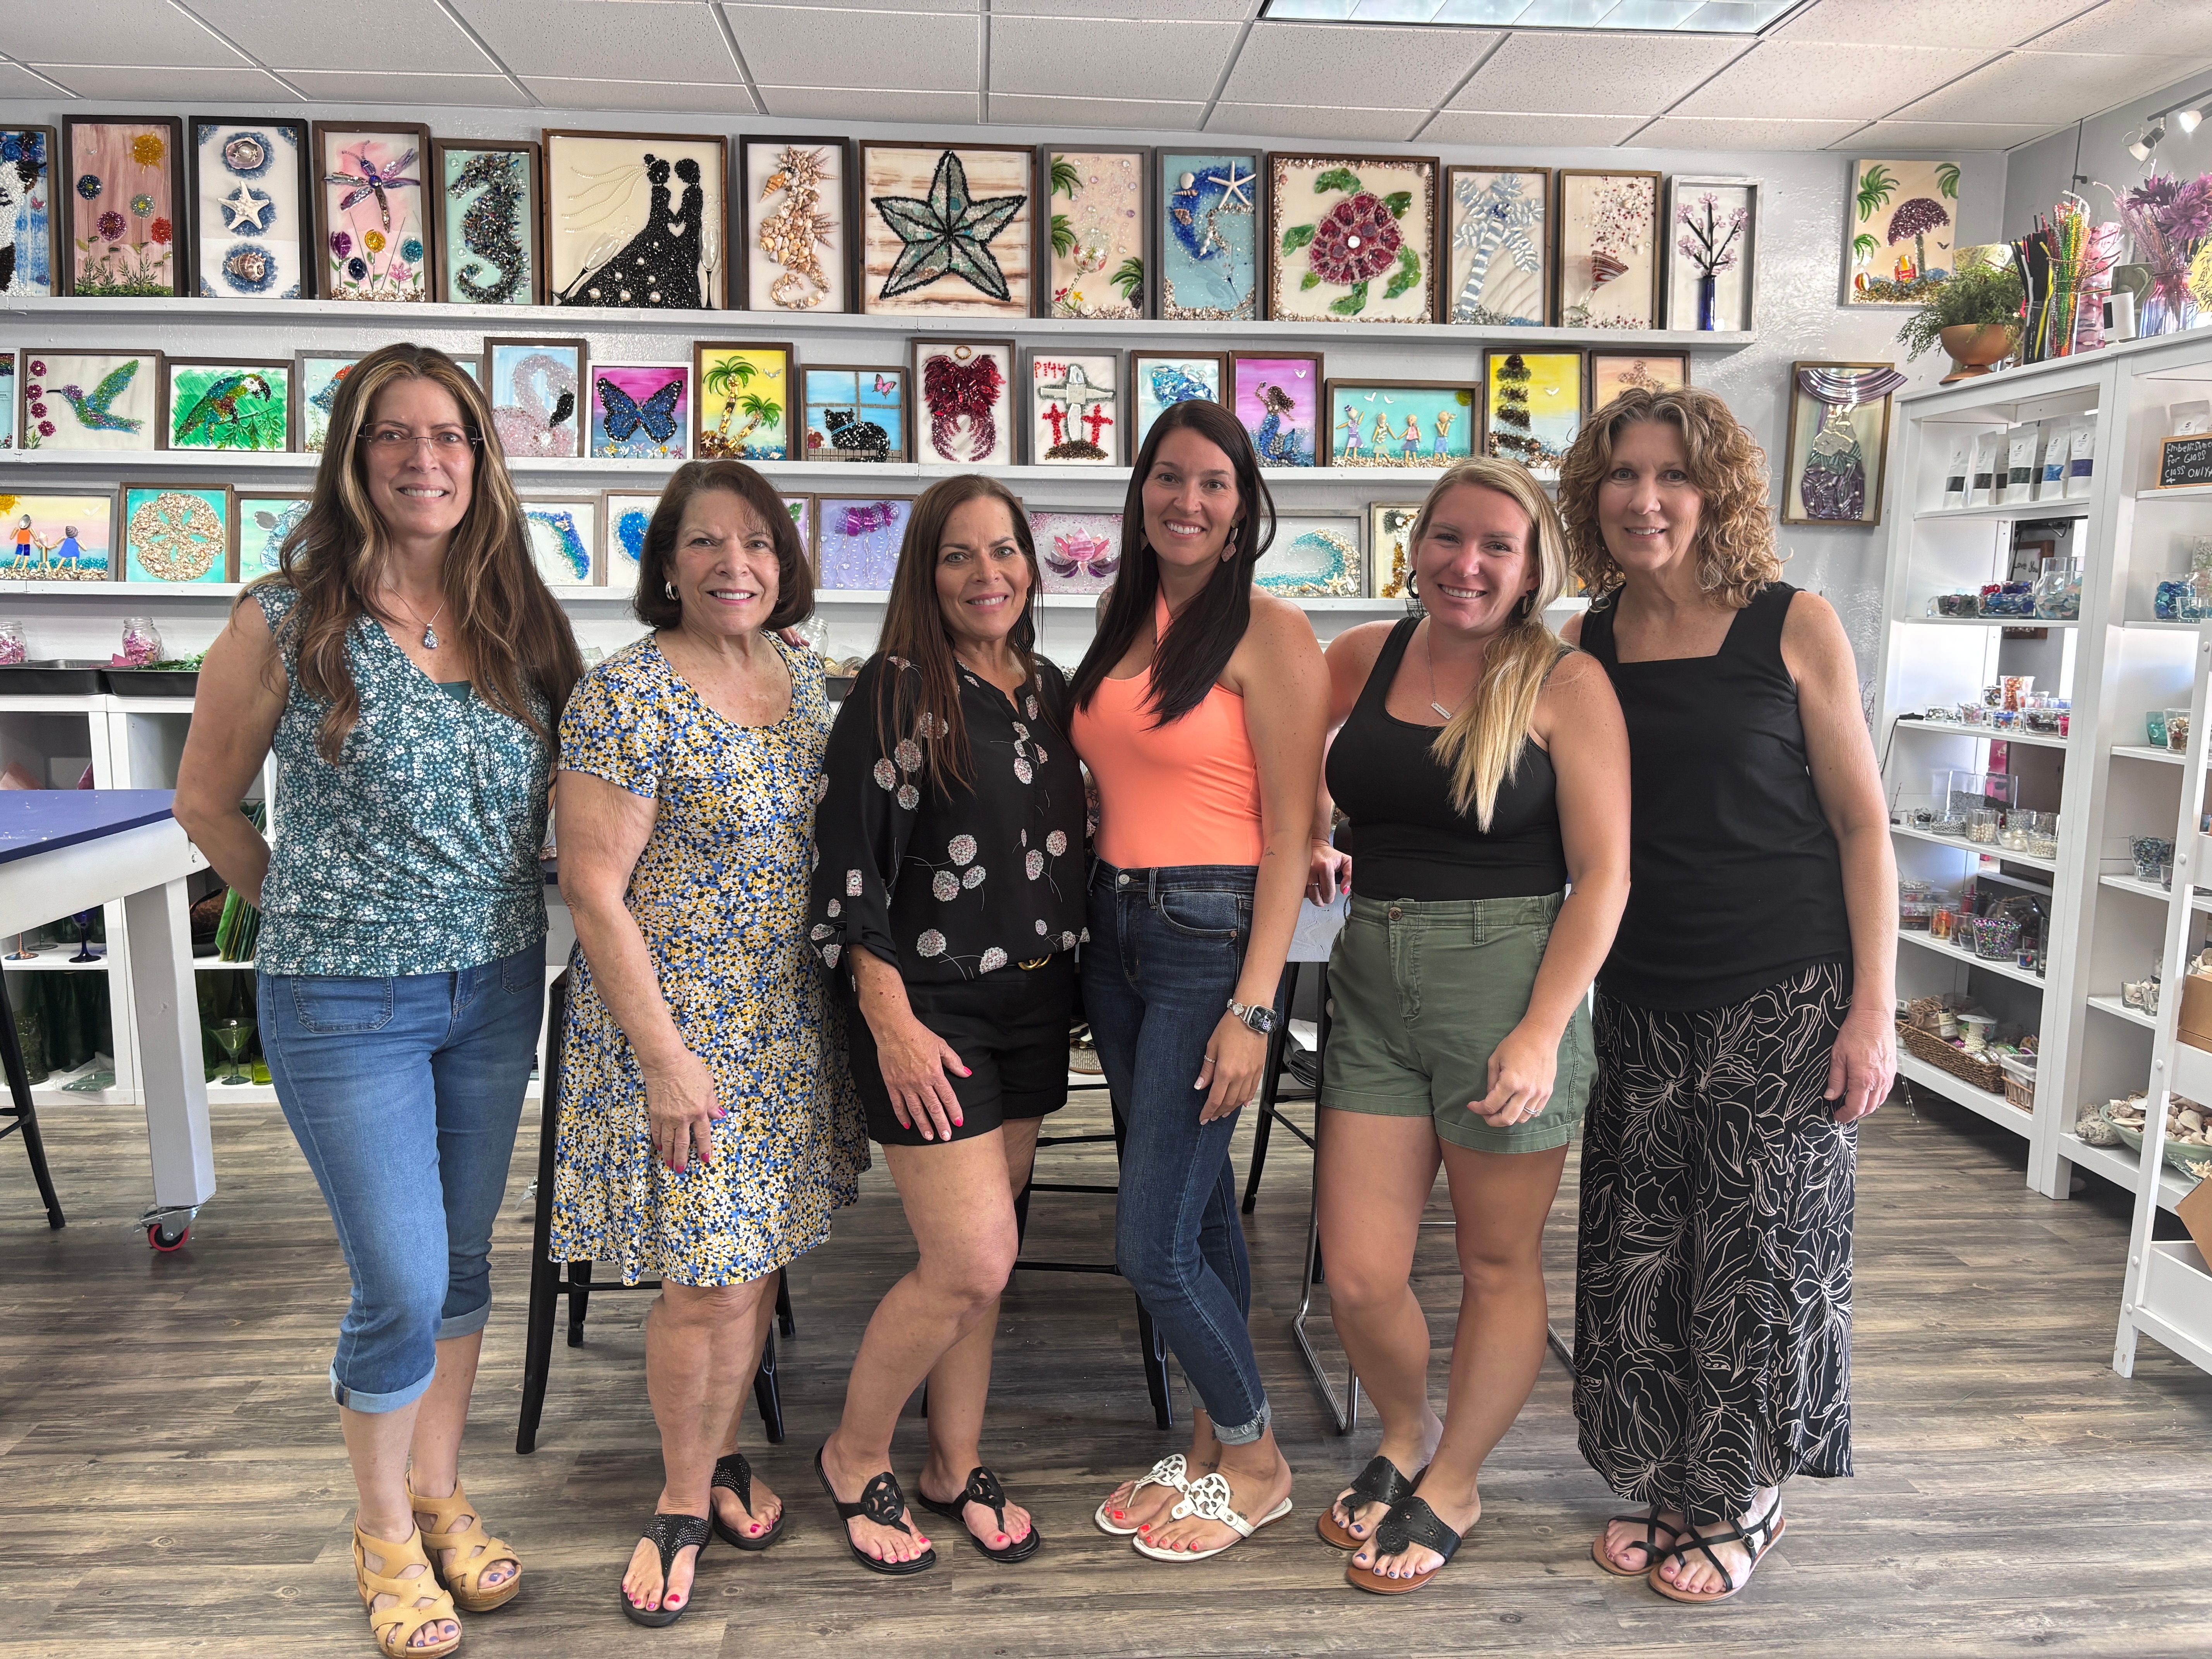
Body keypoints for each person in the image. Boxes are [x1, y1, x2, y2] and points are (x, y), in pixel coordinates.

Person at [174, 343, 582, 1659]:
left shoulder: (524, 617)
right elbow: (205, 802)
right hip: (344, 998)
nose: (426, 459)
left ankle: (439, 1488)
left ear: (483, 457)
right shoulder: (284, 620)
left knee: (460, 1262)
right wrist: (306, 907)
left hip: (495, 983)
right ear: (353, 459)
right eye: (394, 437)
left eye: (451, 436)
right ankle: (383, 1536)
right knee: (400, 1277)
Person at [1556, 386, 1897, 1604]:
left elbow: (1864, 826)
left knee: (1758, 1254)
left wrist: (1876, 1009)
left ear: (1717, 494)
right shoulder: (1586, 643)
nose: (1648, 499)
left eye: (1675, 476)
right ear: (1594, 493)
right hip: (1643, 994)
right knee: (1647, 1242)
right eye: (1625, 473)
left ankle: (1747, 1492)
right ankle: (1671, 1474)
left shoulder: (1791, 623)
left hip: (1788, 992)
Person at [551, 459, 866, 1626]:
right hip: (682, 1026)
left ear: (784, 562)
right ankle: (681, 1498)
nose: (735, 565)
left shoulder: (798, 674)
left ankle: (722, 1455)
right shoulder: (627, 694)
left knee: (761, 1248)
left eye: (757, 544)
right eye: (704, 544)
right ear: (666, 563)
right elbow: (592, 888)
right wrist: (667, 1058)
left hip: (787, 1015)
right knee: (709, 1277)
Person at [1306, 459, 1630, 1594]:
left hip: (1507, 986)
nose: (1469, 564)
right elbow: (1291, 747)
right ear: (1415, 546)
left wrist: (1546, 1028)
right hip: (1370, 985)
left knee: (1497, 1263)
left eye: (1498, 545)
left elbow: (1603, 874)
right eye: (1449, 538)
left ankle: (1455, 1475)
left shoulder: (1565, 681)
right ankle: (1404, 1427)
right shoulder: (1364, 654)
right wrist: (1309, 829)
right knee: (1357, 1272)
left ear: (1533, 564)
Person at [807, 474, 1085, 1574]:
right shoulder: (896, 689)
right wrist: (892, 1019)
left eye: (1006, 550)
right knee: (969, 1260)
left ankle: (952, 1461)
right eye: (961, 555)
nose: (989, 574)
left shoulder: (1049, 689)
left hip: (1034, 1001)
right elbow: (847, 873)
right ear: (926, 572)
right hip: (931, 1006)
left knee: (992, 1263)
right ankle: (853, 1447)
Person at [1071, 398, 1328, 1562]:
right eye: (1168, 477)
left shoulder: (1271, 633)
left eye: (1214, 482)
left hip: (1205, 937)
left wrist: (1254, 1005)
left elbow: (1288, 830)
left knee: (1151, 1246)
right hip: (1113, 926)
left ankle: (1259, 1453)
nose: (1187, 499)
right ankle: (1212, 1443)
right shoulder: (1121, 619)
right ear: (1140, 491)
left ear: (1245, 505)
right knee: (1198, 1203)